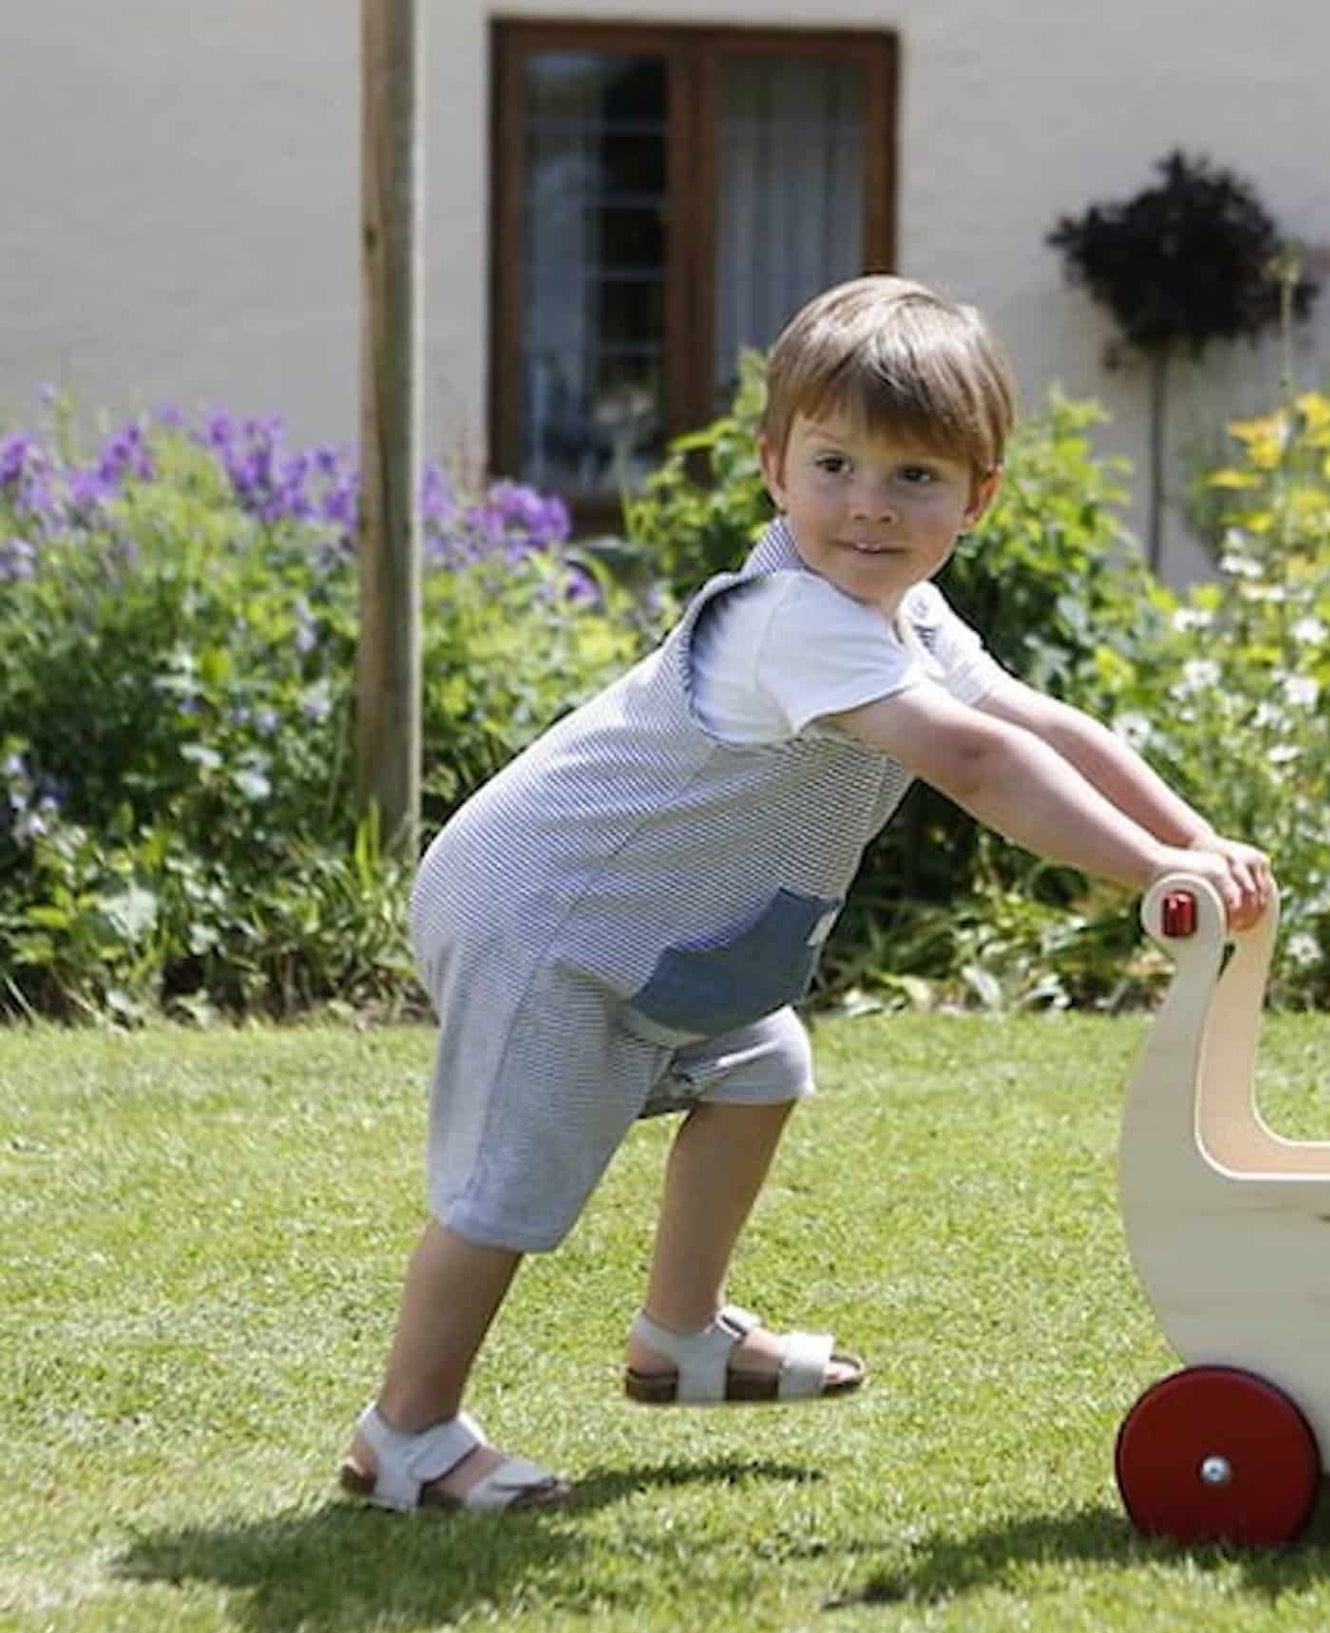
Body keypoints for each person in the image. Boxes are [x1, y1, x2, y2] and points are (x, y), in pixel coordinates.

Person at [341, 275, 1272, 1512]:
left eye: (913, 478)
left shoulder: (900, 610)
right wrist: (1150, 871)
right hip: (547, 919)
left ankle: (680, 1340)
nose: (868, 508)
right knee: (507, 1186)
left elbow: (1038, 720)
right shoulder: (794, 619)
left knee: (758, 1065)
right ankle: (403, 1433)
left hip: (664, 937)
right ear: (774, 467)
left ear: (976, 496)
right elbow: (978, 762)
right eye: (834, 464)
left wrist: (1198, 840)